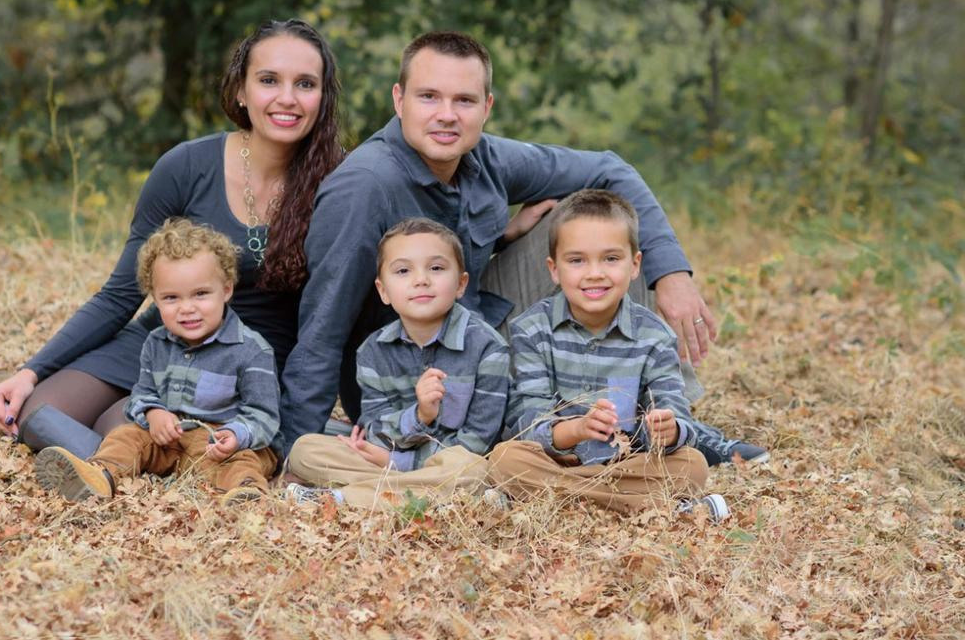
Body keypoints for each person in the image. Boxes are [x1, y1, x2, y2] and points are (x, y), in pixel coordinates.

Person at [278, 30, 760, 467]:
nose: (447, 114)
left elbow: (612, 169)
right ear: (399, 99)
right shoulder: (364, 186)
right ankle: (555, 432)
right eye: (429, 97)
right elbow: (323, 327)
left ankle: (664, 423)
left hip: (479, 328)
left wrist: (671, 274)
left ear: (486, 107)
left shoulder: (484, 156)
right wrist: (295, 448)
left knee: (600, 237)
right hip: (416, 379)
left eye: (464, 100)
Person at [0, 20, 343, 455]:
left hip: (247, 362)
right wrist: (30, 372)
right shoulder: (186, 167)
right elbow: (120, 294)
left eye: (305, 84)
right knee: (39, 413)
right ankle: (119, 448)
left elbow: (344, 310)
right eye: (269, 80)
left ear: (322, 98)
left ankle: (118, 457)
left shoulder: (340, 182)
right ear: (241, 91)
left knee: (119, 427)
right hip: (163, 338)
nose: (287, 98)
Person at [485, 190, 726, 519]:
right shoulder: (531, 329)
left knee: (692, 465)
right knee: (505, 458)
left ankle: (559, 501)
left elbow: (677, 414)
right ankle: (646, 506)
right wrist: (577, 429)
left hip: (628, 462)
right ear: (554, 269)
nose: (594, 272)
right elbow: (529, 422)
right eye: (577, 260)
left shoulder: (654, 335)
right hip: (559, 459)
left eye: (611, 259)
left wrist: (667, 431)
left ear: (634, 265)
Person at [35, 220, 280, 502]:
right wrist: (153, 413)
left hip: (224, 445)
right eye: (171, 298)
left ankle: (246, 494)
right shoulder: (156, 343)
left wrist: (237, 435)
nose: (187, 308)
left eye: (201, 294)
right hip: (170, 442)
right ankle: (99, 476)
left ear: (226, 290)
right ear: (155, 299)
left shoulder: (251, 350)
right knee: (127, 437)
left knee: (246, 460)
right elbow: (143, 392)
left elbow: (265, 416)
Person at [284, 218, 508, 508]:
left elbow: (478, 442)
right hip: (397, 464)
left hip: (450, 463)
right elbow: (375, 426)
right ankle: (431, 498)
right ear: (383, 291)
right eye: (403, 271)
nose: (421, 279)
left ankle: (344, 498)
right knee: (305, 450)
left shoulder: (488, 348)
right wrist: (420, 416)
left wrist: (397, 461)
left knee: (470, 468)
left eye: (436, 268)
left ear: (461, 284)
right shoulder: (372, 351)